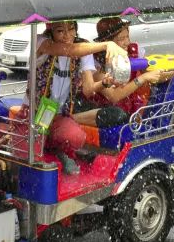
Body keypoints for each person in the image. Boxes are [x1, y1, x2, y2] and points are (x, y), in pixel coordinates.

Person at [36, 21, 128, 175]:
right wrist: (107, 45)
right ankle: (47, 146)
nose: (67, 35)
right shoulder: (41, 42)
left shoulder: (84, 49)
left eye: (71, 29)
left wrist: (105, 83)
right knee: (31, 161)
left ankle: (58, 150)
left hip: (58, 114)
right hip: (33, 111)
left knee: (76, 137)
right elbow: (70, 51)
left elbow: (88, 89)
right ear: (50, 30)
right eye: (60, 31)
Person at [80, 17, 174, 115]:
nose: (127, 42)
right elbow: (113, 96)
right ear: (108, 42)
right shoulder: (97, 63)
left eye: (127, 37)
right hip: (107, 113)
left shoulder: (134, 52)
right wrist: (142, 78)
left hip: (133, 106)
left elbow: (153, 75)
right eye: (120, 39)